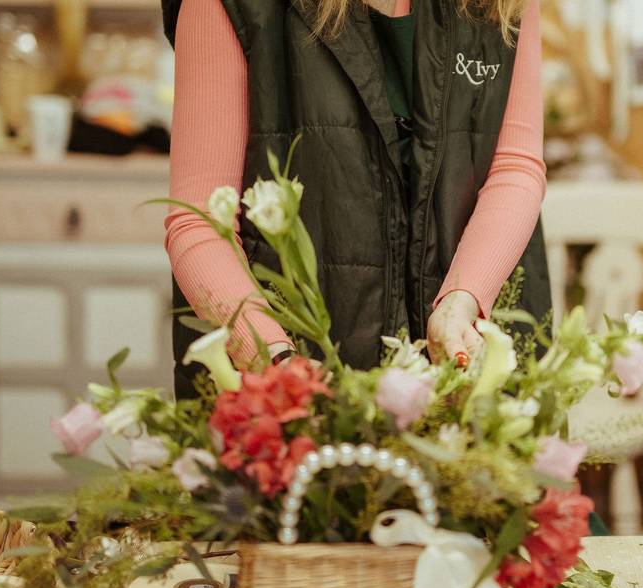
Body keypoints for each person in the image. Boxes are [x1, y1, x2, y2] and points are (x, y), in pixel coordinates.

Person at [162, 0, 552, 397]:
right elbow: (200, 223)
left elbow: (515, 167)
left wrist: (464, 298)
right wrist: (275, 359)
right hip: (290, 386)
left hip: (469, 372)